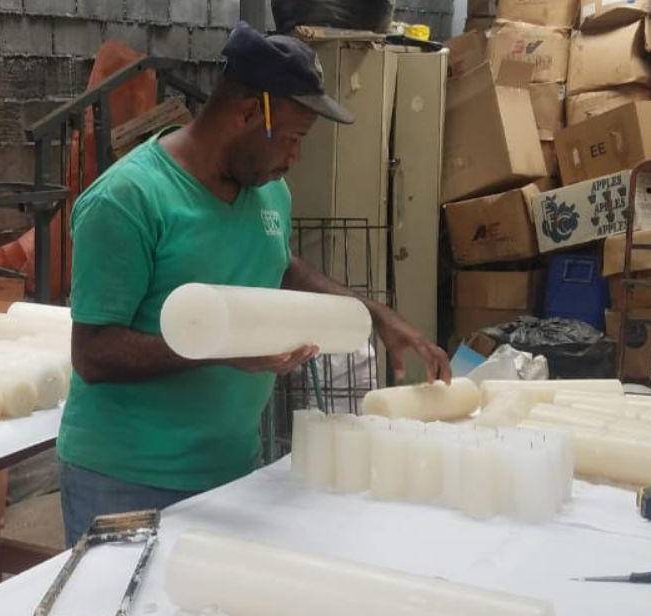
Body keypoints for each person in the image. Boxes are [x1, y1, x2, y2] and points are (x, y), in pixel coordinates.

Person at [58, 23, 452, 546]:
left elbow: (279, 263)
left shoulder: (269, 193)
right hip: (126, 479)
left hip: (230, 471)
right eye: (292, 138)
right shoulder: (128, 200)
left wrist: (375, 315)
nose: (295, 157)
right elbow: (94, 353)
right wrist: (219, 349)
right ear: (247, 115)